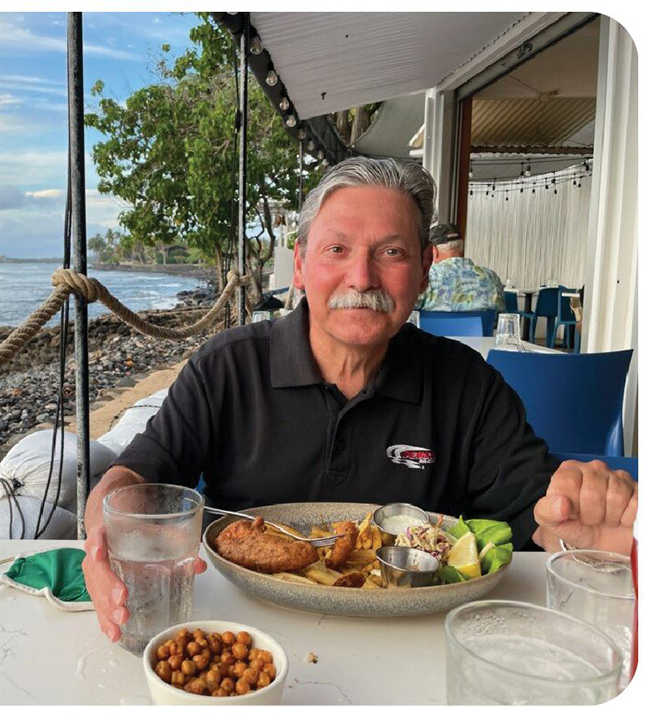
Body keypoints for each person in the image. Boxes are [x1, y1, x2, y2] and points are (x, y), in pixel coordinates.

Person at [82, 157, 637, 643]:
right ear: (300, 264)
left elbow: (539, 516)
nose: (362, 276)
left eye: (391, 252)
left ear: (423, 271)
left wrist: (585, 532)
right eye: (337, 249)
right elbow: (137, 477)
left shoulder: (467, 384)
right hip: (243, 637)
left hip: (417, 645)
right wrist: (105, 530)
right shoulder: (228, 366)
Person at [415, 223, 506, 312]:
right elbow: (500, 316)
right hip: (482, 327)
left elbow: (409, 314)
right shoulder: (491, 277)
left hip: (432, 327)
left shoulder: (427, 277)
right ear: (461, 247)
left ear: (434, 251)